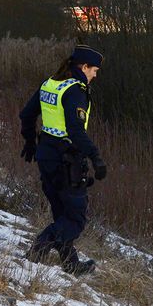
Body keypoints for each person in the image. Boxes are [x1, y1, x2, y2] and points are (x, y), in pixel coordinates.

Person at [19, 44, 107, 275]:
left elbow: (27, 114)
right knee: (75, 219)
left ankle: (70, 264)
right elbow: (76, 130)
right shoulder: (75, 90)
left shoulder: (50, 84)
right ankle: (39, 247)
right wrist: (95, 157)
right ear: (84, 66)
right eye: (94, 70)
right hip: (66, 160)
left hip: (46, 154)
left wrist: (29, 141)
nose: (95, 75)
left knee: (61, 213)